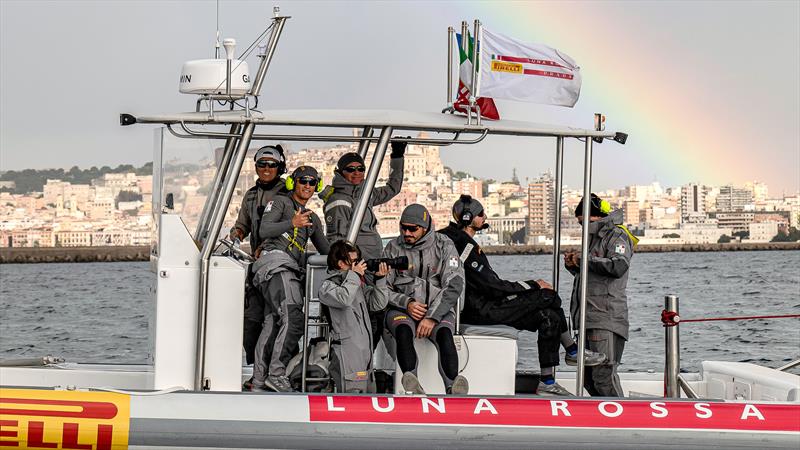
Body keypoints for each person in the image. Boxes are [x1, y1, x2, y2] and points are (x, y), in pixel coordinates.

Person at [438, 194, 607, 396]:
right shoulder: (465, 246)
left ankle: (547, 382)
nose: (484, 217)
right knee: (548, 296)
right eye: (481, 214)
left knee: (549, 316)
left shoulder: (457, 240)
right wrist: (533, 284)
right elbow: (492, 286)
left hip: (486, 304)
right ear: (468, 218)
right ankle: (572, 350)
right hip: (482, 309)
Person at [250, 166, 331, 392]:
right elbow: (264, 231)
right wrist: (291, 223)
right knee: (293, 318)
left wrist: (347, 256)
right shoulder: (280, 203)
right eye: (303, 181)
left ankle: (259, 380)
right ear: (292, 183)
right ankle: (276, 375)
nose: (307, 186)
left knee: (273, 325)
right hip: (276, 266)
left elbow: (325, 249)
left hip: (286, 269)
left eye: (312, 182)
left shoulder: (313, 218)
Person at [321, 142, 406, 351]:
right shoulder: (338, 200)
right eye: (351, 169)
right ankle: (360, 363)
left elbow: (393, 188)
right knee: (371, 315)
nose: (357, 173)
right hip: (358, 270)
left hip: (372, 265)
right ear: (340, 172)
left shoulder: (364, 193)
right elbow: (338, 242)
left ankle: (372, 365)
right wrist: (350, 270)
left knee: (378, 309)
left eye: (361, 169)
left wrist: (397, 156)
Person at [382, 204, 469, 395]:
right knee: (403, 331)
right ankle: (412, 384)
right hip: (402, 310)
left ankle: (453, 387)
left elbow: (454, 284)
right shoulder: (392, 248)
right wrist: (407, 303)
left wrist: (431, 317)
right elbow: (382, 290)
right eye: (403, 227)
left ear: (425, 227)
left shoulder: (444, 245)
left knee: (445, 336)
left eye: (412, 229)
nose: (407, 233)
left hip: (437, 311)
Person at [566, 193, 637, 397]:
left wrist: (583, 260)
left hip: (605, 317)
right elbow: (592, 273)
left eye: (583, 222)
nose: (582, 226)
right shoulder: (591, 239)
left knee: (603, 376)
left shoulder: (617, 235)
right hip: (587, 318)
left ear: (596, 216)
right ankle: (606, 422)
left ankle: (621, 422)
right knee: (588, 378)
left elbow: (618, 265)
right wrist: (574, 265)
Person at [228, 145, 288, 389]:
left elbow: (291, 227)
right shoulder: (251, 195)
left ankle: (273, 374)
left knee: (274, 321)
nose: (266, 169)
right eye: (261, 164)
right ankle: (257, 371)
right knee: (251, 322)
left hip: (277, 266)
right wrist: (236, 233)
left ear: (279, 167)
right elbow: (242, 223)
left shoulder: (286, 194)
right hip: (256, 269)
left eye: (271, 165)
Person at [319, 240, 389, 393]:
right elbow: (344, 299)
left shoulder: (355, 284)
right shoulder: (328, 286)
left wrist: (380, 280)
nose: (359, 265)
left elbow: (378, 304)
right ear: (340, 263)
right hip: (347, 351)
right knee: (352, 396)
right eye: (354, 262)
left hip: (365, 349)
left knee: (368, 394)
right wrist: (355, 276)